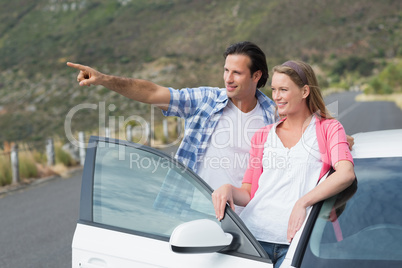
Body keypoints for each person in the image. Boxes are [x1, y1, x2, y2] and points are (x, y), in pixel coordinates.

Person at [67, 42, 277, 206]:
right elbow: (153, 92)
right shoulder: (207, 100)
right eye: (226, 70)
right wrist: (104, 79)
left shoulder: (273, 116)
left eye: (237, 73)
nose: (228, 79)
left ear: (256, 75)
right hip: (196, 208)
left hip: (246, 220)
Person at [212, 60, 356, 267]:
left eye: (283, 90)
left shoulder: (329, 129)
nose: (276, 96)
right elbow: (249, 193)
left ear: (305, 91)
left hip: (296, 243)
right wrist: (227, 189)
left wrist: (302, 203)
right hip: (253, 239)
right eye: (274, 90)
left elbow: (346, 174)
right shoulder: (263, 135)